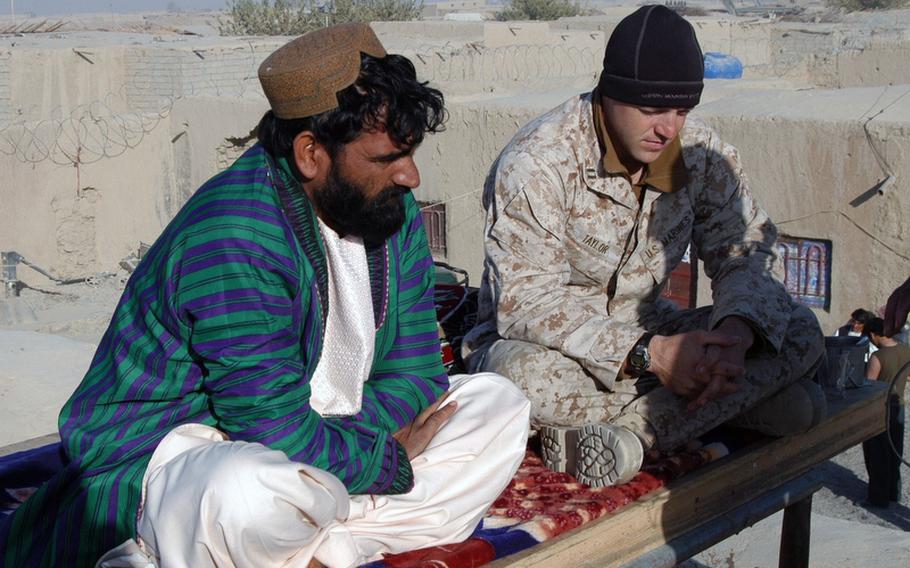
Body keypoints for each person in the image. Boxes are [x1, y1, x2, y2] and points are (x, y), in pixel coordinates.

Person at [0, 24, 530, 568]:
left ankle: (324, 549)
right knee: (245, 492)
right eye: (385, 159)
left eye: (410, 152)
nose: (411, 175)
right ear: (310, 154)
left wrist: (354, 440)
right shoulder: (235, 236)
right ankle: (289, 529)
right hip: (184, 448)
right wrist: (385, 458)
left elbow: (418, 374)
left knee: (496, 406)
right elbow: (269, 430)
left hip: (318, 435)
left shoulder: (391, 215)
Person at [463, 5, 825, 488]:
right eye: (652, 110)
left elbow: (745, 252)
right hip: (548, 347)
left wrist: (736, 336)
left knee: (799, 330)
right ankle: (741, 407)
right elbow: (526, 303)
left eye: (682, 111)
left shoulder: (698, 156)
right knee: (520, 383)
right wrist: (646, 356)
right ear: (609, 92)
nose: (668, 129)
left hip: (653, 328)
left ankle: (631, 435)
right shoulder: (539, 162)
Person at [862, 317, 910, 507]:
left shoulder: (878, 357)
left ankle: (878, 498)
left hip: (879, 410)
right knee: (894, 451)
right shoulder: (905, 349)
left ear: (874, 335)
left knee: (877, 454)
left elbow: (869, 385)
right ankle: (893, 494)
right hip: (899, 406)